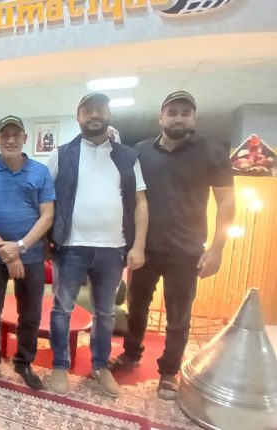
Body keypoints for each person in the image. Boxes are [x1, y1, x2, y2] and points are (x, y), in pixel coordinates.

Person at [109, 91, 235, 400]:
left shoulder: (212, 152)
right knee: (137, 308)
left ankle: (168, 371)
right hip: (145, 248)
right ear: (161, 117)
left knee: (179, 316)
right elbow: (129, 195)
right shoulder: (141, 151)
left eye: (185, 113)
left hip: (186, 250)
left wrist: (217, 249)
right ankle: (131, 354)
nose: (178, 118)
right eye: (172, 112)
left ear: (194, 118)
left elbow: (226, 202)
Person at [46, 93, 148, 398]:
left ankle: (101, 366)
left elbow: (141, 202)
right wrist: (46, 239)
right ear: (78, 117)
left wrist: (138, 246)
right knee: (62, 309)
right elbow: (45, 199)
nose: (94, 115)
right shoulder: (61, 154)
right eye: (88, 110)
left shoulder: (127, 157)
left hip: (113, 249)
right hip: (70, 247)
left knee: (105, 313)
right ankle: (60, 365)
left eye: (100, 109)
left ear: (108, 114)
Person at [0, 116, 55, 389]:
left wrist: (19, 247)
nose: (10, 140)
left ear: (25, 138)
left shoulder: (41, 173)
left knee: (30, 314)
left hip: (31, 256)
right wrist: (6, 251)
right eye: (4, 135)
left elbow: (47, 216)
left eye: (15, 135)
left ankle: (23, 362)